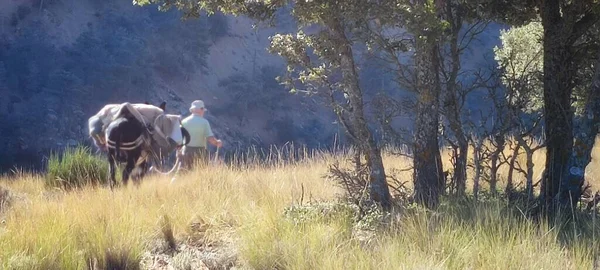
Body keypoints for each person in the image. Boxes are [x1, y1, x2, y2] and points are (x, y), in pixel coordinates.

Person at [180, 100, 223, 170]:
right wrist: (217, 143)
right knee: (199, 171)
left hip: (186, 151)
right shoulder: (204, 122)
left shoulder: (184, 121)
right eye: (203, 110)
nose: (203, 112)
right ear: (201, 109)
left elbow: (180, 138)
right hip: (200, 152)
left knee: (185, 171)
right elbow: (210, 138)